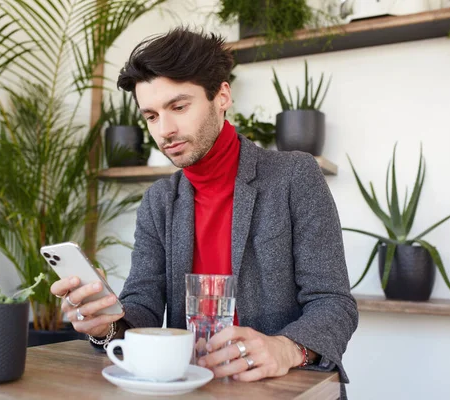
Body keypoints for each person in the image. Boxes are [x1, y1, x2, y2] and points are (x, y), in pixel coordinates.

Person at [51, 27, 358, 397]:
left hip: (285, 389)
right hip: (194, 391)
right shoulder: (159, 201)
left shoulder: (294, 176)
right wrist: (107, 324)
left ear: (222, 95)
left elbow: (333, 303)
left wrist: (288, 347)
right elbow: (143, 307)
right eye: (151, 116)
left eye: (178, 107)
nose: (165, 130)